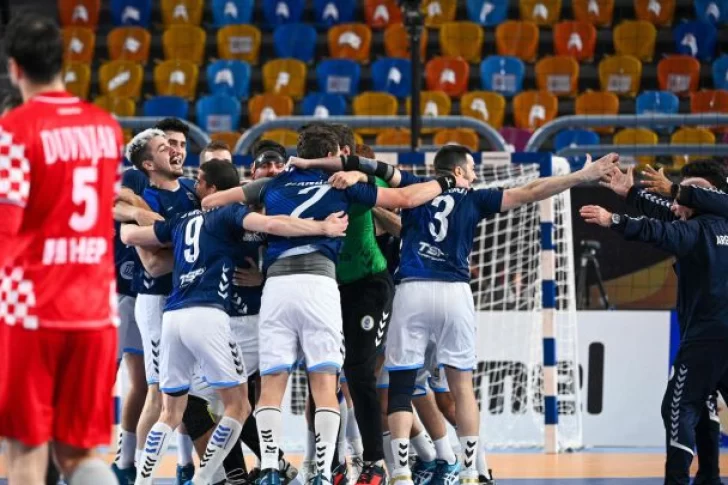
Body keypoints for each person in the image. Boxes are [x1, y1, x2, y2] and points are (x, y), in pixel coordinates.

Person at [290, 146, 619, 485]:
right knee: (462, 388)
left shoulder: (414, 189)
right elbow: (532, 191)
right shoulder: (474, 198)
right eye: (472, 167)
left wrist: (331, 168)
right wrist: (582, 176)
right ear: (459, 172)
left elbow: (372, 170)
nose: (475, 174)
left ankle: (401, 472)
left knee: (400, 387)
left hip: (413, 291)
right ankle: (471, 471)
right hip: (455, 293)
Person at [202, 126, 469, 485]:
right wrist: (447, 183)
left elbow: (212, 202)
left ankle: (268, 468)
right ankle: (325, 473)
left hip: (276, 286)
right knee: (327, 383)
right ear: (333, 155)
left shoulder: (273, 184)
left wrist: (257, 221)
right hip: (320, 286)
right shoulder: (342, 186)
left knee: (272, 385)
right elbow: (405, 199)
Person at [123, 158, 349, 485]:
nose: (195, 188)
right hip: (210, 315)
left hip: (172, 316)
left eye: (199, 181)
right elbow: (275, 226)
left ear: (213, 187)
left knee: (170, 413)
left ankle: (143, 482)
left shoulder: (181, 219)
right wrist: (322, 228)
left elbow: (131, 236)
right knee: (239, 406)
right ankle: (206, 477)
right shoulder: (230, 214)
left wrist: (130, 211)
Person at [0, 12, 123, 485]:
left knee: (27, 452)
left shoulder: (15, 129)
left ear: (14, 68)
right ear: (63, 63)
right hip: (94, 309)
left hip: (32, 308)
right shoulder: (106, 127)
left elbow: (6, 230)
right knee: (79, 456)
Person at [580, 164, 728, 485]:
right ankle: (710, 477)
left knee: (677, 407)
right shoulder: (706, 220)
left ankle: (678, 480)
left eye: (689, 193)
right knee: (703, 402)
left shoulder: (695, 231)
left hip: (705, 338)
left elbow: (656, 229)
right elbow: (668, 211)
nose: (675, 202)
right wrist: (632, 193)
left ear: (708, 197)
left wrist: (612, 219)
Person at [125, 126, 200, 484]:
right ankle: (143, 475)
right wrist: (200, 254)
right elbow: (153, 264)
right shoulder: (146, 202)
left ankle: (188, 468)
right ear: (147, 163)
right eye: (163, 147)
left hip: (191, 300)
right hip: (157, 301)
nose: (174, 150)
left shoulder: (191, 191)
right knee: (158, 394)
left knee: (190, 392)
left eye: (176, 145)